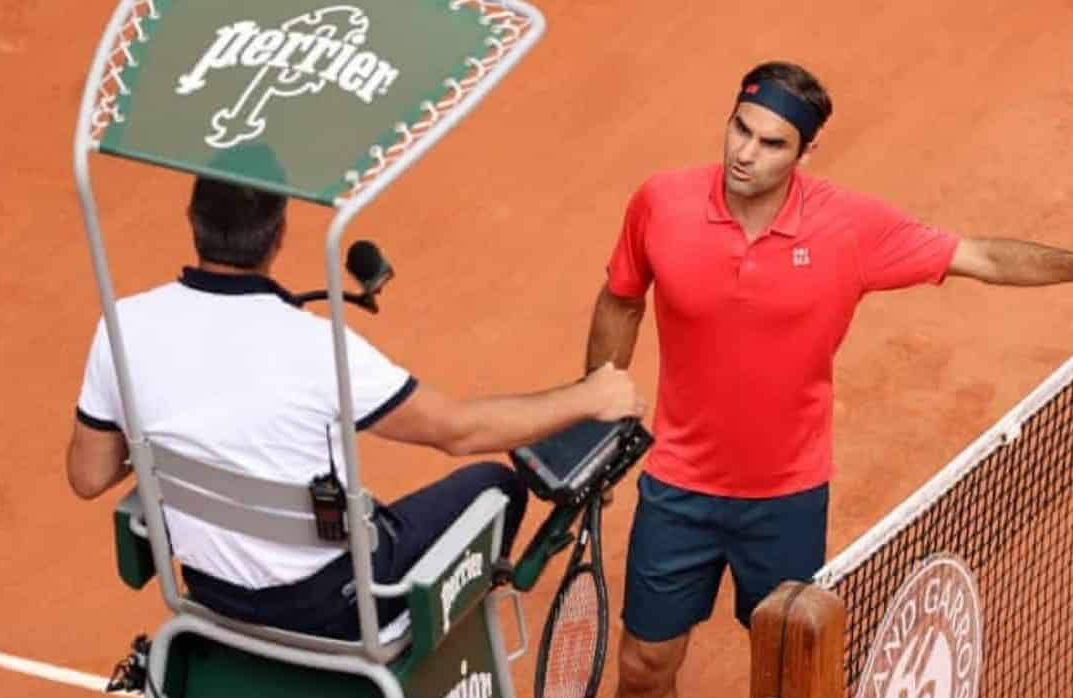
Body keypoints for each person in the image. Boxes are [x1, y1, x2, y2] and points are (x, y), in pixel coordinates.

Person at [573, 61, 1073, 698]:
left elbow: (980, 257)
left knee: (784, 680)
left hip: (785, 494)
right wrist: (595, 409)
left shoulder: (850, 228)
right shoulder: (662, 202)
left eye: (771, 143)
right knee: (645, 666)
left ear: (803, 153)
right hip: (679, 483)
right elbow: (621, 297)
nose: (746, 153)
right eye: (740, 130)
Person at [66, 176, 644, 641]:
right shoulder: (320, 347)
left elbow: (89, 475)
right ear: (279, 235)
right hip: (330, 608)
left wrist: (183, 437)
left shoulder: (125, 325)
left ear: (192, 224)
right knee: (497, 486)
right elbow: (458, 432)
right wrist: (588, 396)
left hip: (211, 593)